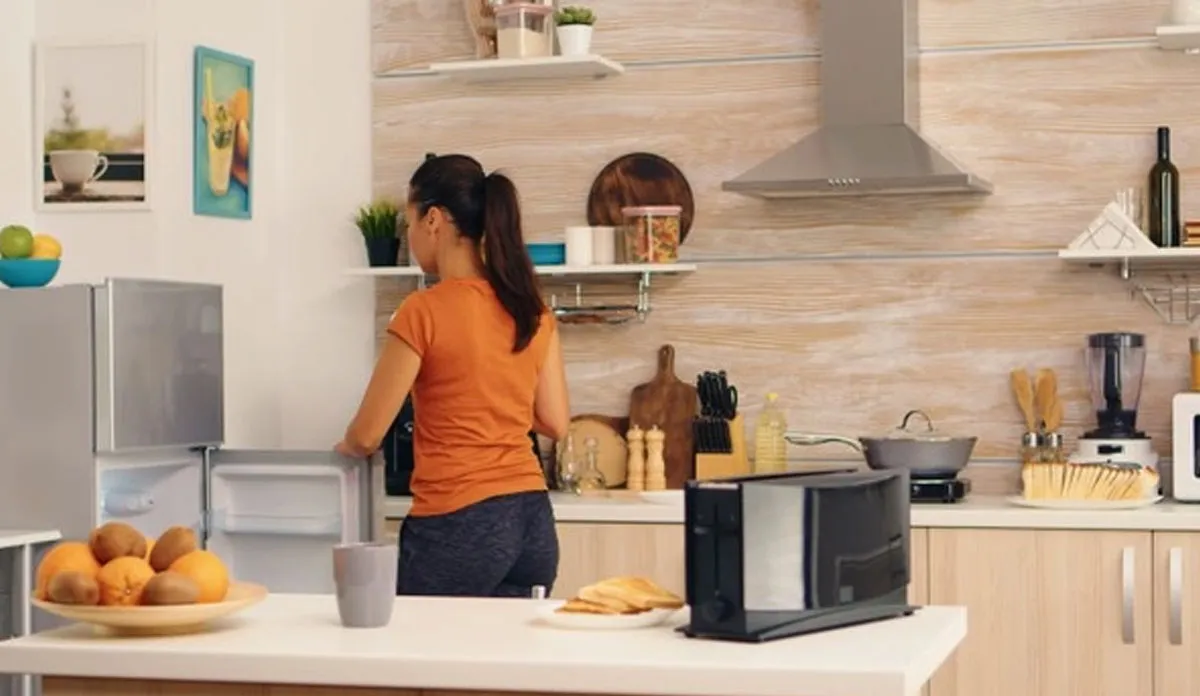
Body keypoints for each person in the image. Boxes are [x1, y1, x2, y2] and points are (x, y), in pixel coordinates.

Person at [335, 154, 570, 598]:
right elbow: (556, 422)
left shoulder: (423, 311)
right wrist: (494, 397)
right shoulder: (532, 311)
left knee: (415, 640)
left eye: (409, 222)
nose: (409, 236)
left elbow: (367, 435)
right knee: (503, 645)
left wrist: (344, 448)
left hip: (460, 524)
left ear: (434, 220)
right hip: (532, 523)